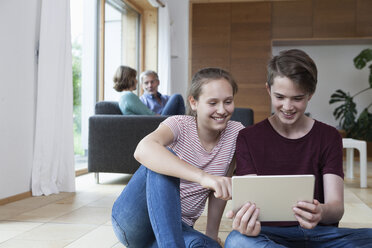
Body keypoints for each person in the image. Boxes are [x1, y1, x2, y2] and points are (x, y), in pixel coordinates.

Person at [224, 49, 372, 247]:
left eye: (297, 98)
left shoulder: (329, 136)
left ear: (310, 94)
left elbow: (336, 208)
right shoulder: (247, 137)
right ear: (268, 90)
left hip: (320, 234)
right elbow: (251, 200)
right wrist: (245, 222)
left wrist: (321, 212)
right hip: (268, 234)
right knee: (237, 241)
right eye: (280, 97)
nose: (287, 106)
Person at [111, 67, 245, 247]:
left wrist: (212, 234)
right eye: (213, 103)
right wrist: (203, 177)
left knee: (207, 245)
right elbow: (143, 149)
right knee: (162, 161)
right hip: (136, 221)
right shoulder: (179, 124)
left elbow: (219, 188)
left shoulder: (236, 133)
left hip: (179, 228)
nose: (222, 110)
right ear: (194, 103)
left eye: (228, 101)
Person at [113, 66, 182, 116]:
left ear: (158, 82)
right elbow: (150, 115)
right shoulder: (129, 96)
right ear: (129, 79)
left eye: (152, 82)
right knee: (177, 97)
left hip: (152, 122)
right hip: (156, 123)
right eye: (134, 78)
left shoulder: (125, 97)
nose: (136, 81)